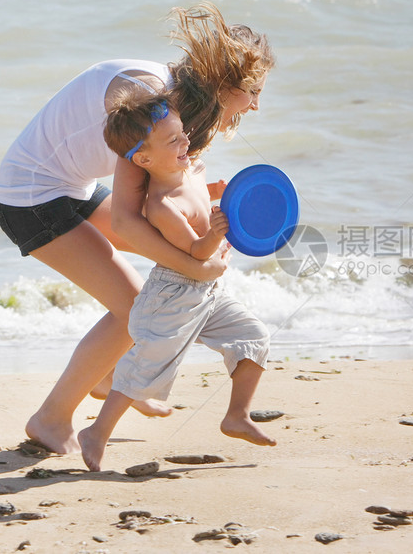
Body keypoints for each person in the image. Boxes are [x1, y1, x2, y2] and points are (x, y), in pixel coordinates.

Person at [0, 2, 275, 454]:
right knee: (135, 310)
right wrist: (196, 266)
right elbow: (129, 218)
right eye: (253, 91)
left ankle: (106, 377)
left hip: (71, 187)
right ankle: (51, 419)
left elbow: (161, 199)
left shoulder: (174, 103)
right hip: (32, 198)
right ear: (226, 83)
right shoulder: (150, 102)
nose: (256, 104)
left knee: (152, 285)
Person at [78, 91, 275, 471]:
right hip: (172, 293)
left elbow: (201, 196)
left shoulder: (193, 169)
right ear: (144, 159)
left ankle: (237, 415)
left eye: (182, 133)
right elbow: (196, 254)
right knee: (145, 367)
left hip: (208, 292)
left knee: (254, 337)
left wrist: (221, 194)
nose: (186, 141)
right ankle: (96, 433)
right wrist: (216, 235)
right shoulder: (161, 205)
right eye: (174, 140)